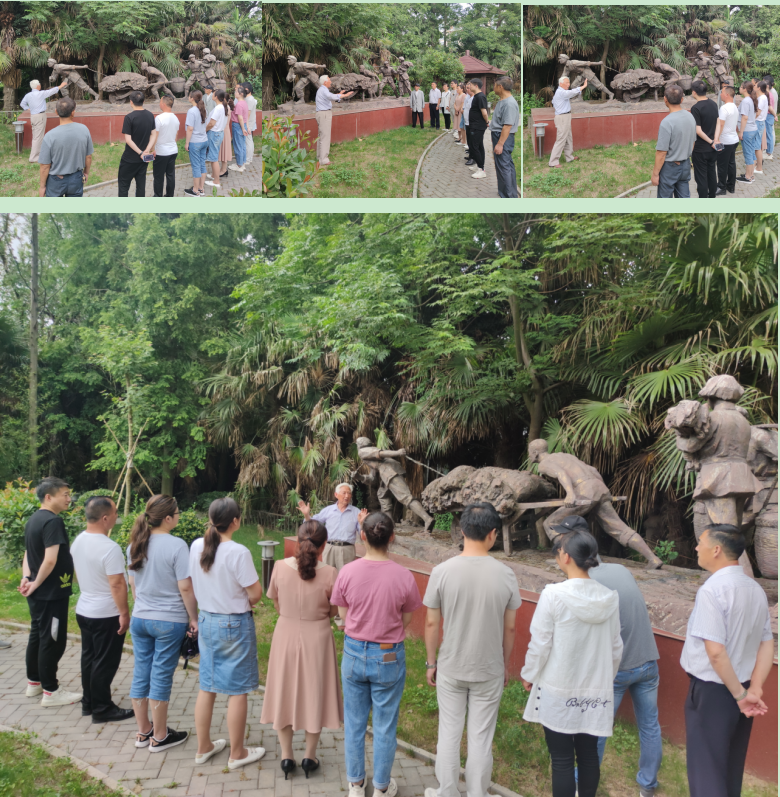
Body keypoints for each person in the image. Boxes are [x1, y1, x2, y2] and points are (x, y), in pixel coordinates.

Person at [422, 502, 520, 797]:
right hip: (489, 669)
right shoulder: (506, 575)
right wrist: (504, 665)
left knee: (449, 734)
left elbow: (431, 622)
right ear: (493, 534)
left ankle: (447, 791)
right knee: (481, 738)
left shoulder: (441, 571)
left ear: (462, 531)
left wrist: (431, 663)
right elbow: (510, 629)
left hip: (451, 666)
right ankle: (478, 793)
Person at [520, 524, 622, 797]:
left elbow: (540, 643)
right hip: (594, 693)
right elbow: (616, 648)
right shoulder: (609, 598)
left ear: (565, 557)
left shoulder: (553, 595)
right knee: (589, 755)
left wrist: (529, 674)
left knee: (562, 760)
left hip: (559, 689)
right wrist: (604, 681)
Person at [331, 511, 422, 797]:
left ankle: (356, 785)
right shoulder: (404, 576)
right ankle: (381, 787)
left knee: (354, 723)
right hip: (388, 656)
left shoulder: (347, 572)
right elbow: (406, 620)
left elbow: (343, 615)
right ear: (392, 537)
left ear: (362, 536)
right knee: (384, 725)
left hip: (354, 652)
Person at [680, 524, 774, 797]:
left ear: (716, 550)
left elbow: (716, 652)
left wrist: (741, 695)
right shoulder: (755, 589)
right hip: (741, 687)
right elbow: (767, 642)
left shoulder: (712, 590)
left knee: (706, 771)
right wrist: (754, 688)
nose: (696, 547)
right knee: (730, 768)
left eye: (701, 542)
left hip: (714, 691)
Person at [261, 520, 342, 780]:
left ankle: (286, 756)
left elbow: (275, 602)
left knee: (283, 691)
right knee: (314, 693)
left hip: (285, 634)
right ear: (324, 545)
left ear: (297, 540)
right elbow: (333, 610)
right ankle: (309, 755)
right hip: (317, 637)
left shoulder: (278, 567)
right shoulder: (330, 573)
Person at [190, 498, 265, 770]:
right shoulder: (238, 552)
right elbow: (255, 593)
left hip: (207, 620)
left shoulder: (196, 545)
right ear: (235, 521)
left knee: (207, 685)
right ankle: (237, 753)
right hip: (233, 623)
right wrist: (245, 599)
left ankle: (203, 748)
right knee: (238, 689)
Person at [589, 530, 662, 797]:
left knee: (598, 729)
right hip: (648, 662)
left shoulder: (588, 582)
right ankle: (648, 786)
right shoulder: (620, 569)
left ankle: (585, 785)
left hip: (617, 670)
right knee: (650, 726)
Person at [127, 495, 197, 752]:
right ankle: (159, 736)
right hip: (169, 620)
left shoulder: (135, 544)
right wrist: (193, 617)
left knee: (141, 671)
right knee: (160, 675)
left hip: (140, 618)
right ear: (167, 518)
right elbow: (185, 587)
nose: (178, 516)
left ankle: (143, 731)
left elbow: (133, 584)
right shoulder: (177, 545)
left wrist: (143, 606)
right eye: (177, 513)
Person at [70, 496, 134, 724]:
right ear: (105, 518)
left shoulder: (78, 540)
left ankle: (89, 702)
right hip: (106, 613)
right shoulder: (109, 547)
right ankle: (102, 708)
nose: (117, 516)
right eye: (115, 513)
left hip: (84, 608)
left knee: (89, 657)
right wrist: (124, 613)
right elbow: (117, 584)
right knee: (105, 661)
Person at [18, 477, 81, 707]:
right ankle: (51, 691)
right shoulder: (53, 521)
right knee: (52, 640)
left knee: (37, 635)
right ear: (48, 497)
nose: (69, 499)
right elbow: (50, 559)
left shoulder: (34, 519)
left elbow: (28, 553)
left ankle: (34, 683)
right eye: (64, 494)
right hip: (51, 592)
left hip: (39, 592)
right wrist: (34, 583)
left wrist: (27, 578)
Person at [298, 483, 360, 628]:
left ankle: (341, 617)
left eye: (349, 493)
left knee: (345, 582)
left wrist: (363, 523)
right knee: (325, 579)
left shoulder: (356, 512)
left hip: (347, 549)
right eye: (344, 492)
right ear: (336, 495)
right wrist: (306, 515)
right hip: (329, 547)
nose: (347, 496)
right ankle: (323, 612)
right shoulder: (329, 510)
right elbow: (312, 524)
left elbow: (363, 534)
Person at [38, 97, 93, 198]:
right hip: (76, 178)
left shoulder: (49, 136)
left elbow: (45, 166)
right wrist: (86, 173)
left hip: (55, 181)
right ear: (73, 112)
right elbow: (88, 156)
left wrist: (42, 187)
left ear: (56, 112)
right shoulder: (84, 130)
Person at [651, 84, 696, 198]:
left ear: (665, 99)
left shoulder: (667, 122)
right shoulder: (690, 116)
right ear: (682, 100)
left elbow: (661, 153)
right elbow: (693, 142)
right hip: (686, 164)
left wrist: (655, 174)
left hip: (670, 168)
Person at [117, 91, 155, 198]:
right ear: (143, 101)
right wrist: (147, 150)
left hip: (129, 159)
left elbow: (128, 140)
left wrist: (141, 153)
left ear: (131, 102)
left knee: (123, 186)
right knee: (141, 185)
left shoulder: (129, 117)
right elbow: (153, 134)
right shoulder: (150, 115)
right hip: (144, 159)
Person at [20, 78, 67, 163]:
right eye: (39, 84)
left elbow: (22, 104)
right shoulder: (40, 94)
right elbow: (51, 91)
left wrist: (28, 109)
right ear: (38, 86)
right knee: (38, 137)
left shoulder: (28, 95)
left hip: (33, 116)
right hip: (40, 116)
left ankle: (39, 154)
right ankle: (33, 157)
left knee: (37, 136)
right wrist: (61, 86)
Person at [142, 95, 180, 197]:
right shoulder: (176, 118)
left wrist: (153, 149)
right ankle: (169, 196)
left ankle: (158, 196)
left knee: (158, 176)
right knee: (170, 175)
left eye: (160, 102)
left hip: (161, 152)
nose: (159, 104)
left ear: (163, 104)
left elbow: (155, 135)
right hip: (173, 150)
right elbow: (176, 136)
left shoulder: (159, 118)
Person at [315, 75, 355, 167]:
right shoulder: (323, 90)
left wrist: (339, 94)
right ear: (325, 82)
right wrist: (345, 95)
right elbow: (331, 96)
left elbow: (330, 98)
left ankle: (320, 157)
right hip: (324, 114)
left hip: (322, 114)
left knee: (321, 136)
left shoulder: (322, 90)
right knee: (325, 136)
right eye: (329, 80)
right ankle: (324, 160)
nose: (331, 82)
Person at [490, 76, 519, 198]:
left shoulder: (509, 103)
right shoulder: (503, 100)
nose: (493, 88)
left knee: (504, 167)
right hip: (499, 134)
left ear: (500, 87)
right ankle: (507, 192)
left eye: (495, 86)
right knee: (504, 165)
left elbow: (507, 126)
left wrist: (500, 144)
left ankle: (509, 196)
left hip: (502, 137)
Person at [689, 79, 719, 198]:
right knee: (712, 174)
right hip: (713, 148)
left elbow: (698, 130)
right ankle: (712, 197)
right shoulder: (713, 104)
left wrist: (711, 141)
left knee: (701, 178)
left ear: (694, 92)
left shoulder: (695, 108)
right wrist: (715, 140)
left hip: (701, 149)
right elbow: (718, 123)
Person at [548, 75, 586, 168]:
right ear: (561, 84)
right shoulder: (561, 92)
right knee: (561, 139)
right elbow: (571, 93)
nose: (568, 84)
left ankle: (569, 157)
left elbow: (553, 102)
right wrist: (583, 86)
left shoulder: (559, 92)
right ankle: (553, 162)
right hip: (562, 117)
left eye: (569, 82)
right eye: (567, 83)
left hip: (566, 116)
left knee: (568, 137)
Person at [713, 85, 739, 196]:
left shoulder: (724, 108)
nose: (720, 95)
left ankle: (721, 187)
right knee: (731, 163)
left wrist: (716, 139)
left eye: (722, 93)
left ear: (727, 94)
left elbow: (721, 124)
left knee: (722, 165)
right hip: (734, 140)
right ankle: (731, 186)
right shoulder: (734, 106)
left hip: (725, 141)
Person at [184, 90, 208, 197]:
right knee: (202, 164)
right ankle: (201, 188)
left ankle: (195, 190)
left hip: (195, 142)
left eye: (189, 96)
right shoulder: (203, 109)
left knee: (196, 166)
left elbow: (190, 128)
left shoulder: (191, 111)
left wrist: (187, 143)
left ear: (192, 98)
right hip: (204, 140)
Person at [205, 89, 229, 190]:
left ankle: (216, 181)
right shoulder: (222, 107)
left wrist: (205, 130)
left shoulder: (218, 108)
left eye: (213, 94)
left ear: (216, 97)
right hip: (218, 133)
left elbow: (211, 123)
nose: (212, 95)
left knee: (214, 158)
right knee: (213, 156)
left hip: (214, 133)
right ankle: (214, 175)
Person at [736, 81, 759, 185]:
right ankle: (751, 175)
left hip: (747, 130)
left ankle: (748, 177)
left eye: (741, 87)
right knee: (752, 152)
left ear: (745, 89)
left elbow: (744, 117)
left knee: (748, 154)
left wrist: (741, 132)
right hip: (752, 129)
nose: (739, 88)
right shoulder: (751, 99)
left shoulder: (746, 101)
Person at [467, 78, 489, 180]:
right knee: (479, 146)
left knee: (474, 146)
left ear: (476, 86)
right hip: (475, 125)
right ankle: (480, 166)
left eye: (470, 85)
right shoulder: (477, 96)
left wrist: (487, 122)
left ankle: (481, 170)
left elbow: (484, 112)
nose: (469, 86)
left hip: (477, 126)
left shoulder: (480, 97)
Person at [228, 86, 250, 173]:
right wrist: (246, 127)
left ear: (240, 94)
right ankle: (242, 163)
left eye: (236, 92)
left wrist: (243, 128)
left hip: (238, 126)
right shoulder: (244, 103)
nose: (235, 93)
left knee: (238, 146)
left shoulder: (239, 104)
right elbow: (245, 117)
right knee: (242, 145)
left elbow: (240, 118)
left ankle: (239, 165)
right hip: (242, 125)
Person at [755, 81, 769, 174]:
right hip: (760, 122)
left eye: (755, 85)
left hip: (758, 122)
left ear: (759, 88)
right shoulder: (762, 97)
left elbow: (758, 112)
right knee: (756, 146)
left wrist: (750, 120)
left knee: (757, 147)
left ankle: (759, 168)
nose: (754, 86)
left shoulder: (762, 98)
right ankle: (756, 165)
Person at [243, 82, 258, 164]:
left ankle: (248, 159)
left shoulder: (249, 100)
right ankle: (249, 158)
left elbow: (247, 114)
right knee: (248, 140)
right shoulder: (248, 98)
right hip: (248, 122)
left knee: (248, 141)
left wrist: (247, 126)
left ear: (247, 89)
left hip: (248, 123)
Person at [763, 74, 776, 160]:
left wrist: (775, 115)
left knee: (769, 135)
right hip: (769, 115)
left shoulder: (769, 94)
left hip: (769, 115)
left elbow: (770, 107)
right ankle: (768, 151)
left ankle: (769, 152)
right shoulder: (769, 93)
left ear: (767, 86)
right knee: (769, 134)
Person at [462, 83, 474, 161]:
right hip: (467, 122)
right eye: (466, 88)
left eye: (469, 88)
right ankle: (470, 155)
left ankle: (473, 158)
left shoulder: (475, 98)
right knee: (469, 141)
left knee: (473, 142)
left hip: (472, 123)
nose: (467, 89)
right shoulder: (468, 97)